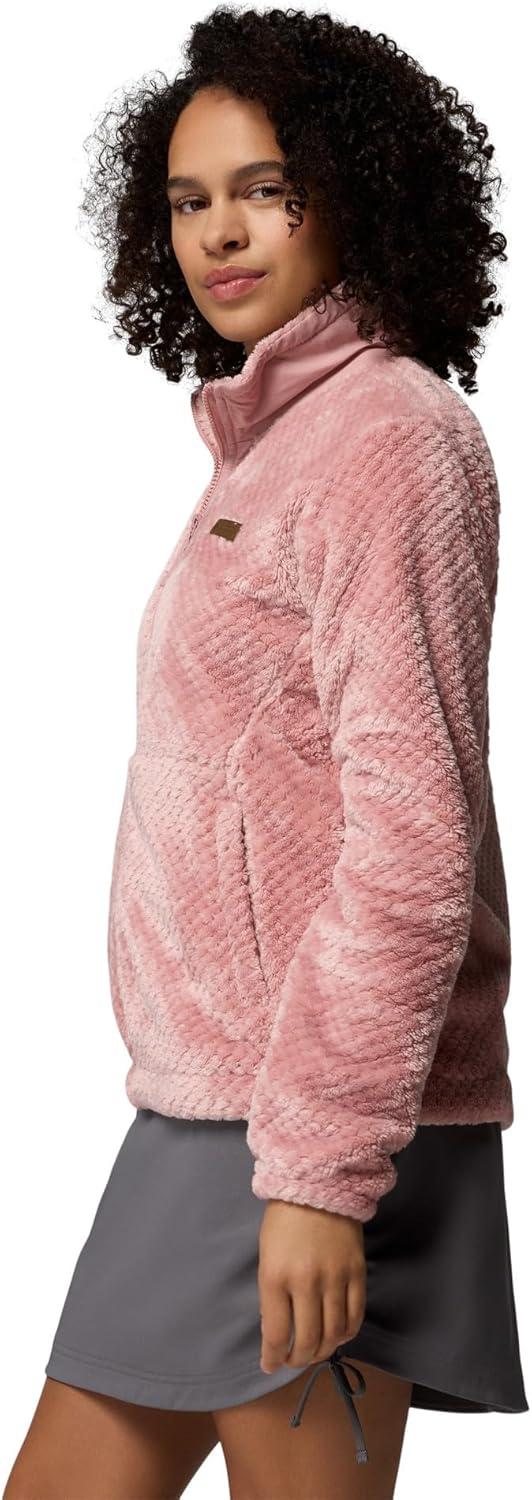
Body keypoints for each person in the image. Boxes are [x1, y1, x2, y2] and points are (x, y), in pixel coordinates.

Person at [3, 9, 528, 1500]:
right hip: (215, 1111)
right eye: (189, 199)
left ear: (354, 194)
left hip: (306, 1127)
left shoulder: (388, 441)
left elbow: (413, 836)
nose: (218, 234)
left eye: (265, 188)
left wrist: (320, 1174)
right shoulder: (278, 444)